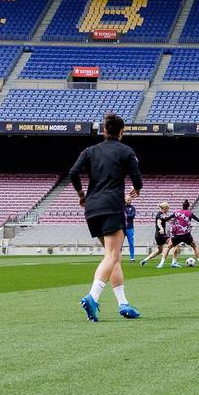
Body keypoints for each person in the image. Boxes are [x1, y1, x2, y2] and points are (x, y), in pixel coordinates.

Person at [70, 113, 144, 321]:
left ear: (104, 131)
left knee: (114, 257)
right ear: (122, 132)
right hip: (111, 206)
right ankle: (92, 297)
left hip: (92, 208)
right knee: (112, 255)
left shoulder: (90, 151)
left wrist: (81, 195)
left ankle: (123, 304)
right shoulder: (126, 151)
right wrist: (136, 190)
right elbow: (137, 178)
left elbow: (73, 173)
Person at [167, 201, 199, 269]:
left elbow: (168, 219)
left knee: (170, 247)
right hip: (186, 235)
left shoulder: (176, 213)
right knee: (195, 247)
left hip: (177, 234)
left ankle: (167, 263)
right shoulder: (189, 213)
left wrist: (161, 220)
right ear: (188, 207)